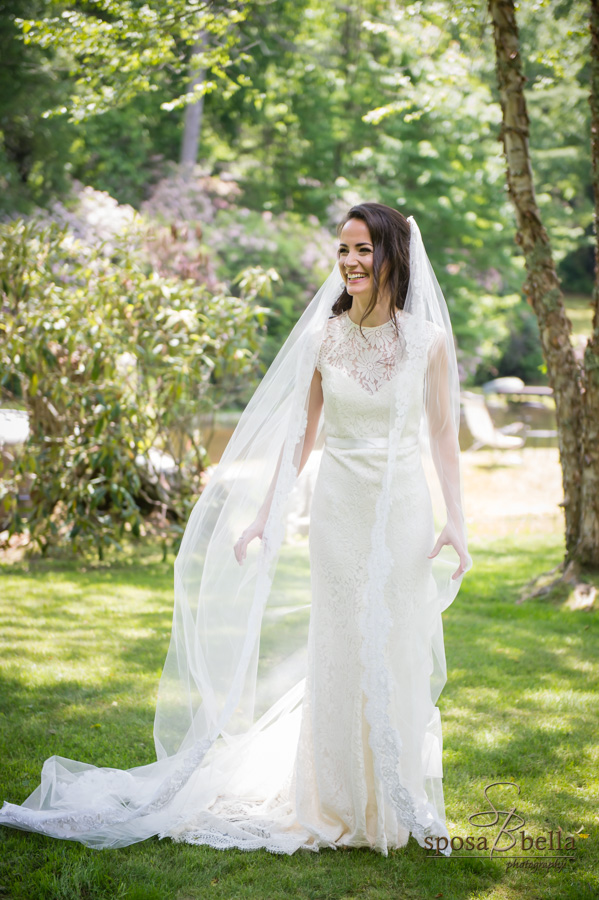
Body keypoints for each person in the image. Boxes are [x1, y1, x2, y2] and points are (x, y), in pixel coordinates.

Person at [0, 202, 472, 856]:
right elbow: (296, 442)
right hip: (337, 509)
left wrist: (457, 524)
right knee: (337, 647)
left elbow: (444, 440)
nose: (351, 263)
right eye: (342, 251)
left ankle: (392, 803)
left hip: (403, 511)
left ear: (392, 254)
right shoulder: (321, 340)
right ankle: (332, 802)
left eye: (363, 249)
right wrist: (262, 516)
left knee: (396, 646)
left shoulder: (429, 342)